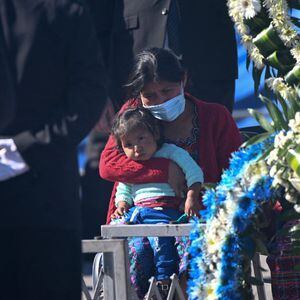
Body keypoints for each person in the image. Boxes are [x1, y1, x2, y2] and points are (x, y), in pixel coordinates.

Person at [99, 47, 242, 298]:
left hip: (199, 228)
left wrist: (195, 192)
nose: (160, 101)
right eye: (149, 95)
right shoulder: (132, 114)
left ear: (184, 80)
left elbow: (236, 176)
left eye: (167, 91)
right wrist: (165, 170)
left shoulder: (214, 117)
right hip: (139, 223)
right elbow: (108, 165)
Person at [0, 1, 107, 299]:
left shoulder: (64, 12)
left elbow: (89, 92)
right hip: (48, 188)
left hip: (46, 199)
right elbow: (89, 94)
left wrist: (22, 149)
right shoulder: (65, 10)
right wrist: (29, 146)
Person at [110, 106, 203, 295]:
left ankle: (164, 284)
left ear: (155, 134)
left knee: (163, 245)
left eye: (141, 138)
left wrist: (192, 197)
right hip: (137, 216)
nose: (137, 148)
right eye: (128, 144)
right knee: (139, 249)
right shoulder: (131, 165)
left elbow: (194, 173)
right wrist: (122, 204)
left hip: (165, 213)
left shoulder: (172, 152)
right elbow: (124, 188)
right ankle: (143, 287)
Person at [87, 0, 238, 113]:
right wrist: (100, 90)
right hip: (135, 57)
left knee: (214, 145)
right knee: (137, 149)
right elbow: (98, 20)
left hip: (209, 58)